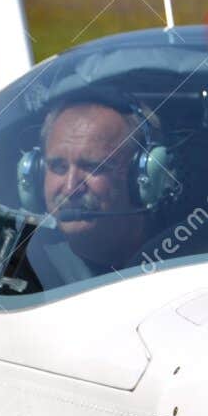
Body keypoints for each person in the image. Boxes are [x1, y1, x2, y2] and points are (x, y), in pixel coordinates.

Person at [26, 98, 151, 283]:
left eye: (93, 167)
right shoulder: (26, 278)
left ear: (138, 174)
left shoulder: (190, 253)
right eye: (58, 167)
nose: (70, 188)